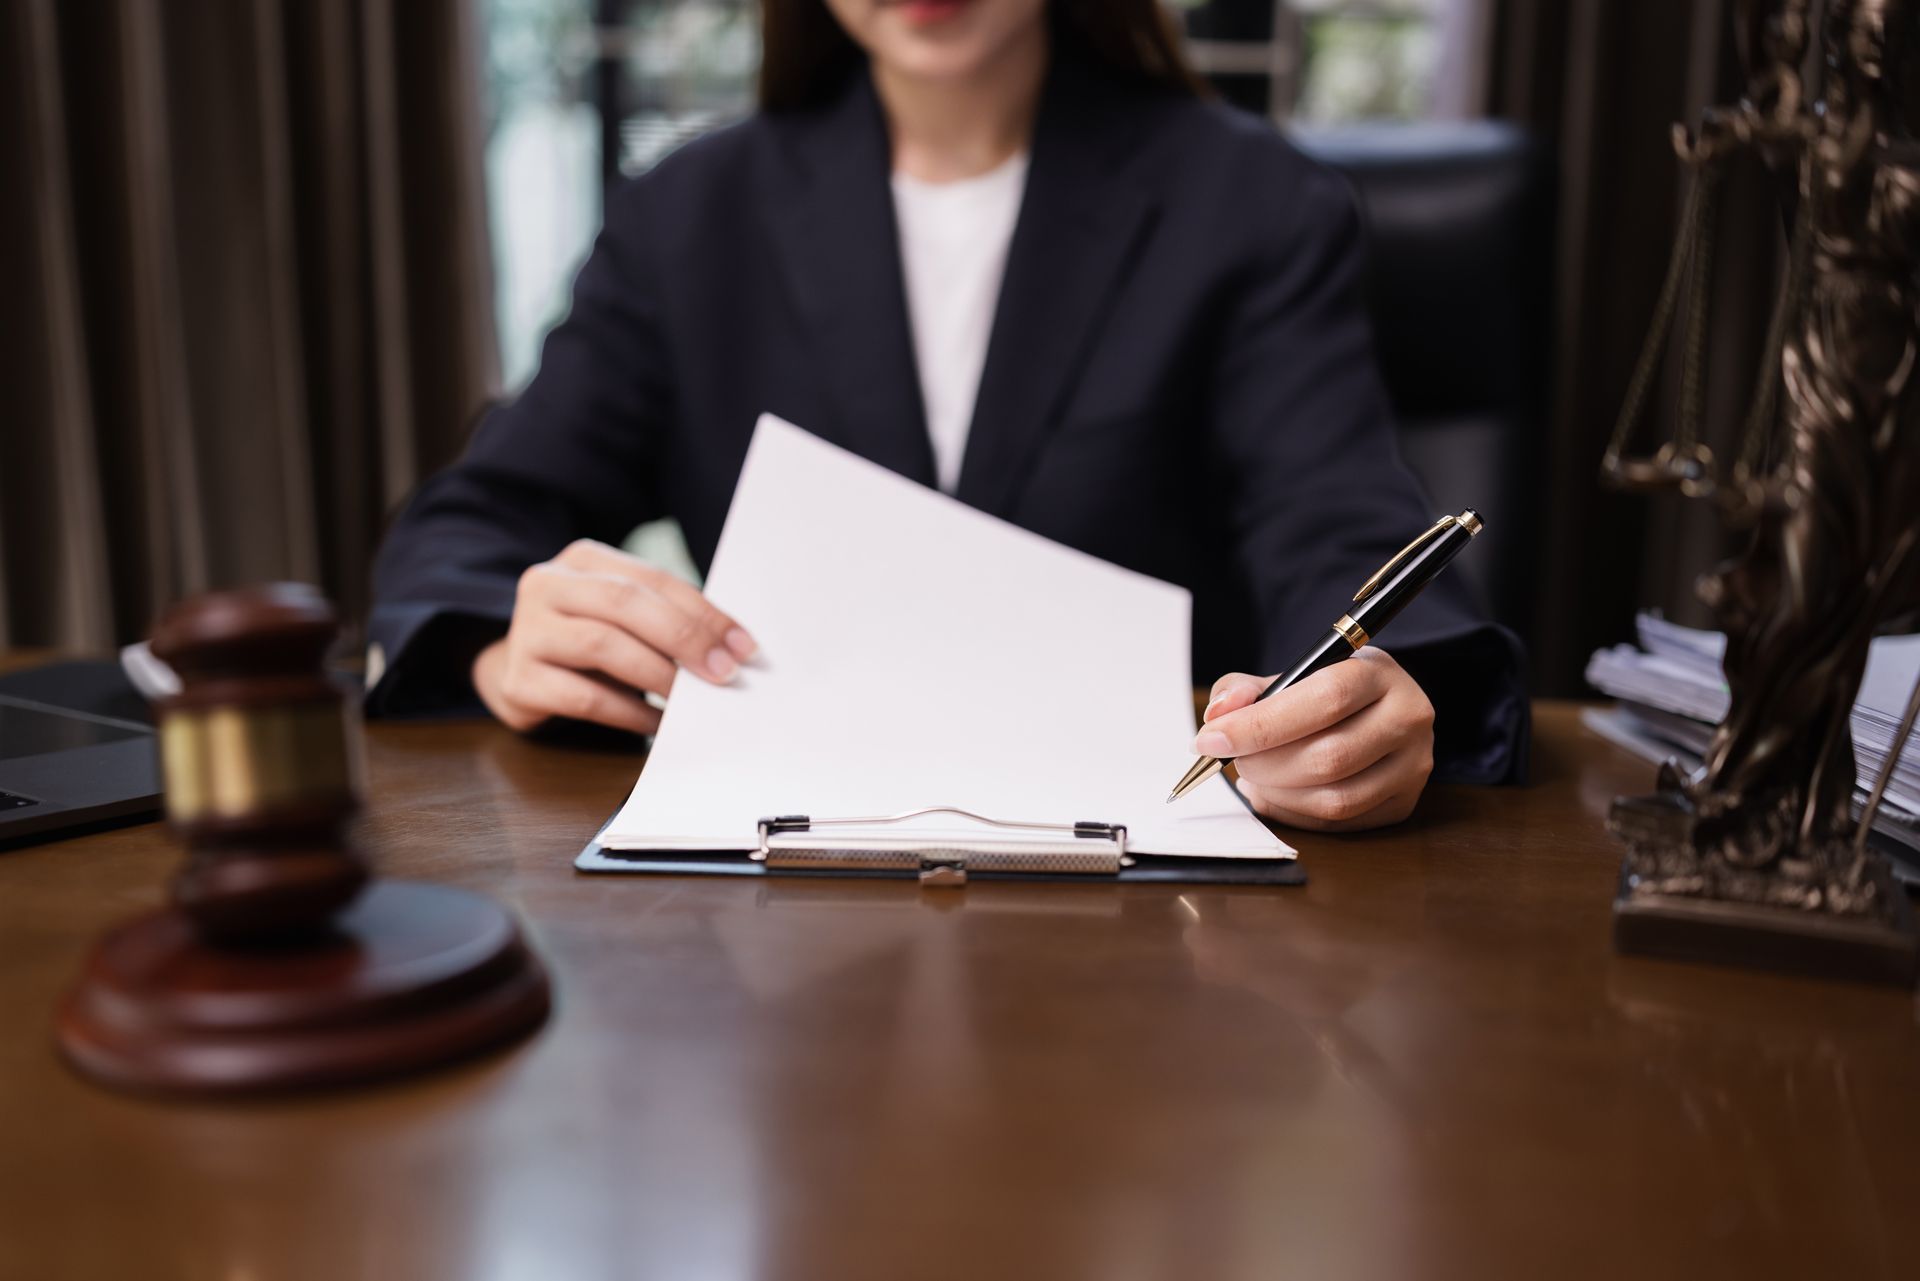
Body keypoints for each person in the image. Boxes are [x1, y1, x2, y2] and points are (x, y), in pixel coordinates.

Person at [368, 0, 1529, 831]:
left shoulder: (1250, 204)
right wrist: (495, 639)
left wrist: (1375, 707)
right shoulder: (688, 218)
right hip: (784, 903)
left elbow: (1341, 531)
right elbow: (465, 532)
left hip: (1149, 897)